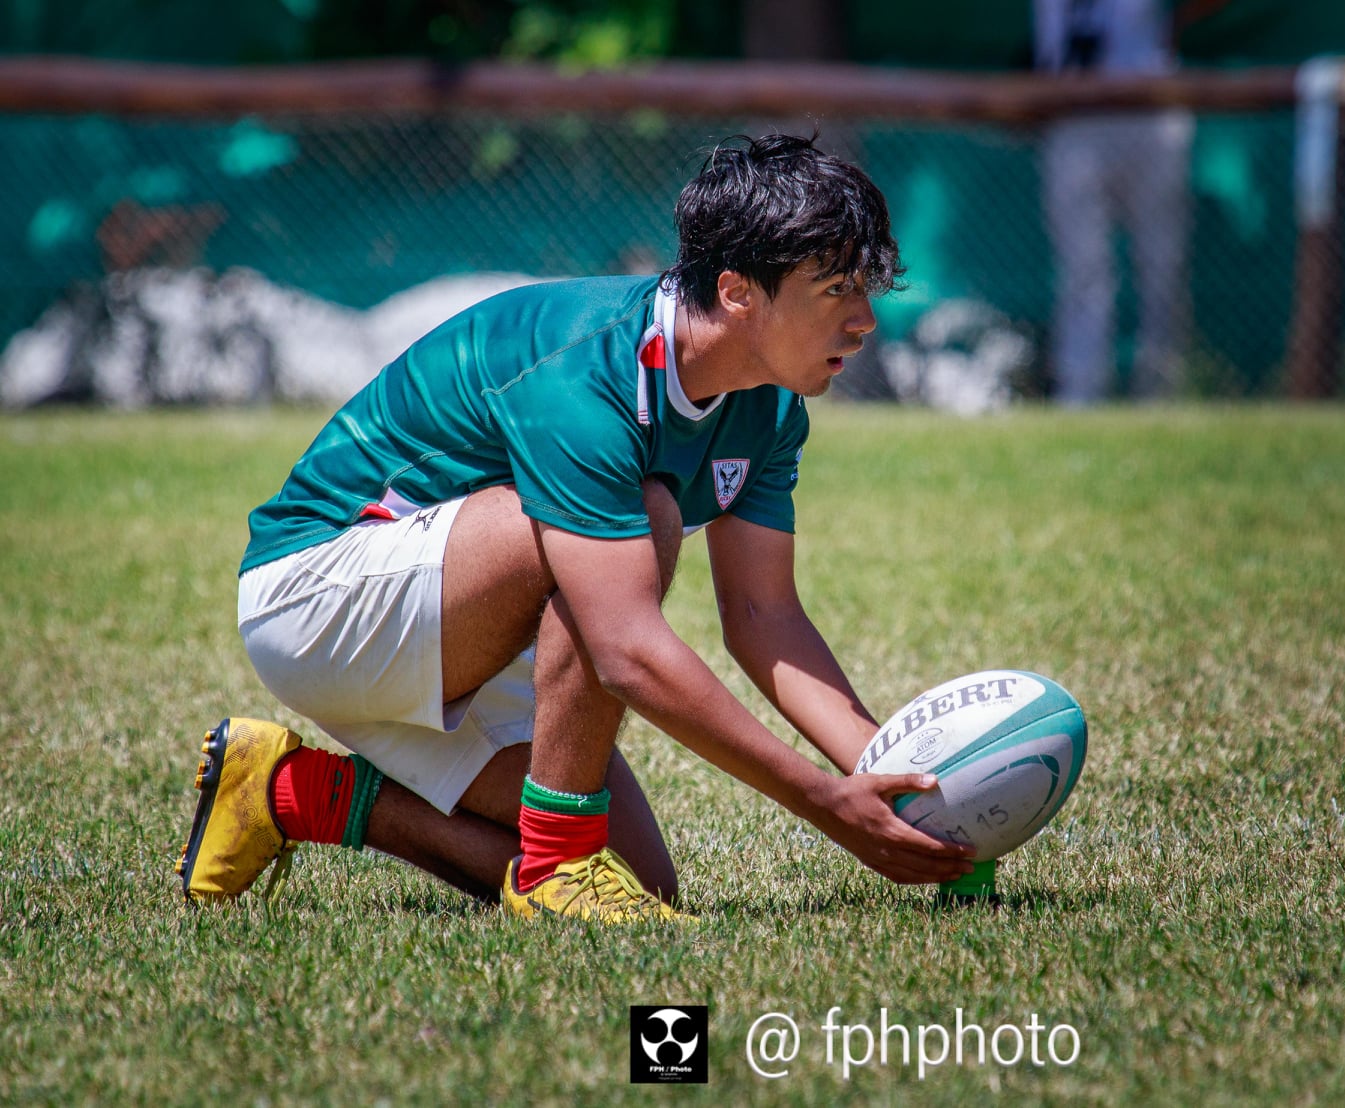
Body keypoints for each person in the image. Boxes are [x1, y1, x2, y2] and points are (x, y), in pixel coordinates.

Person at [175, 134, 976, 923]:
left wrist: (905, 786)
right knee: (646, 514)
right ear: (736, 291)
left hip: (461, 620)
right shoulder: (587, 370)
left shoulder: (767, 406)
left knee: (635, 884)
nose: (866, 319)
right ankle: (557, 861)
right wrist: (825, 804)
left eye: (866, 287)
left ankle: (287, 792)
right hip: (316, 600)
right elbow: (625, 650)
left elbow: (765, 617)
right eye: (836, 289)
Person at [1036, 0, 1192, 404]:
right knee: (1083, 270)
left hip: (1149, 109)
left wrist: (1172, 26)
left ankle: (1161, 394)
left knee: (1162, 264)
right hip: (1071, 110)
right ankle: (1080, 395)